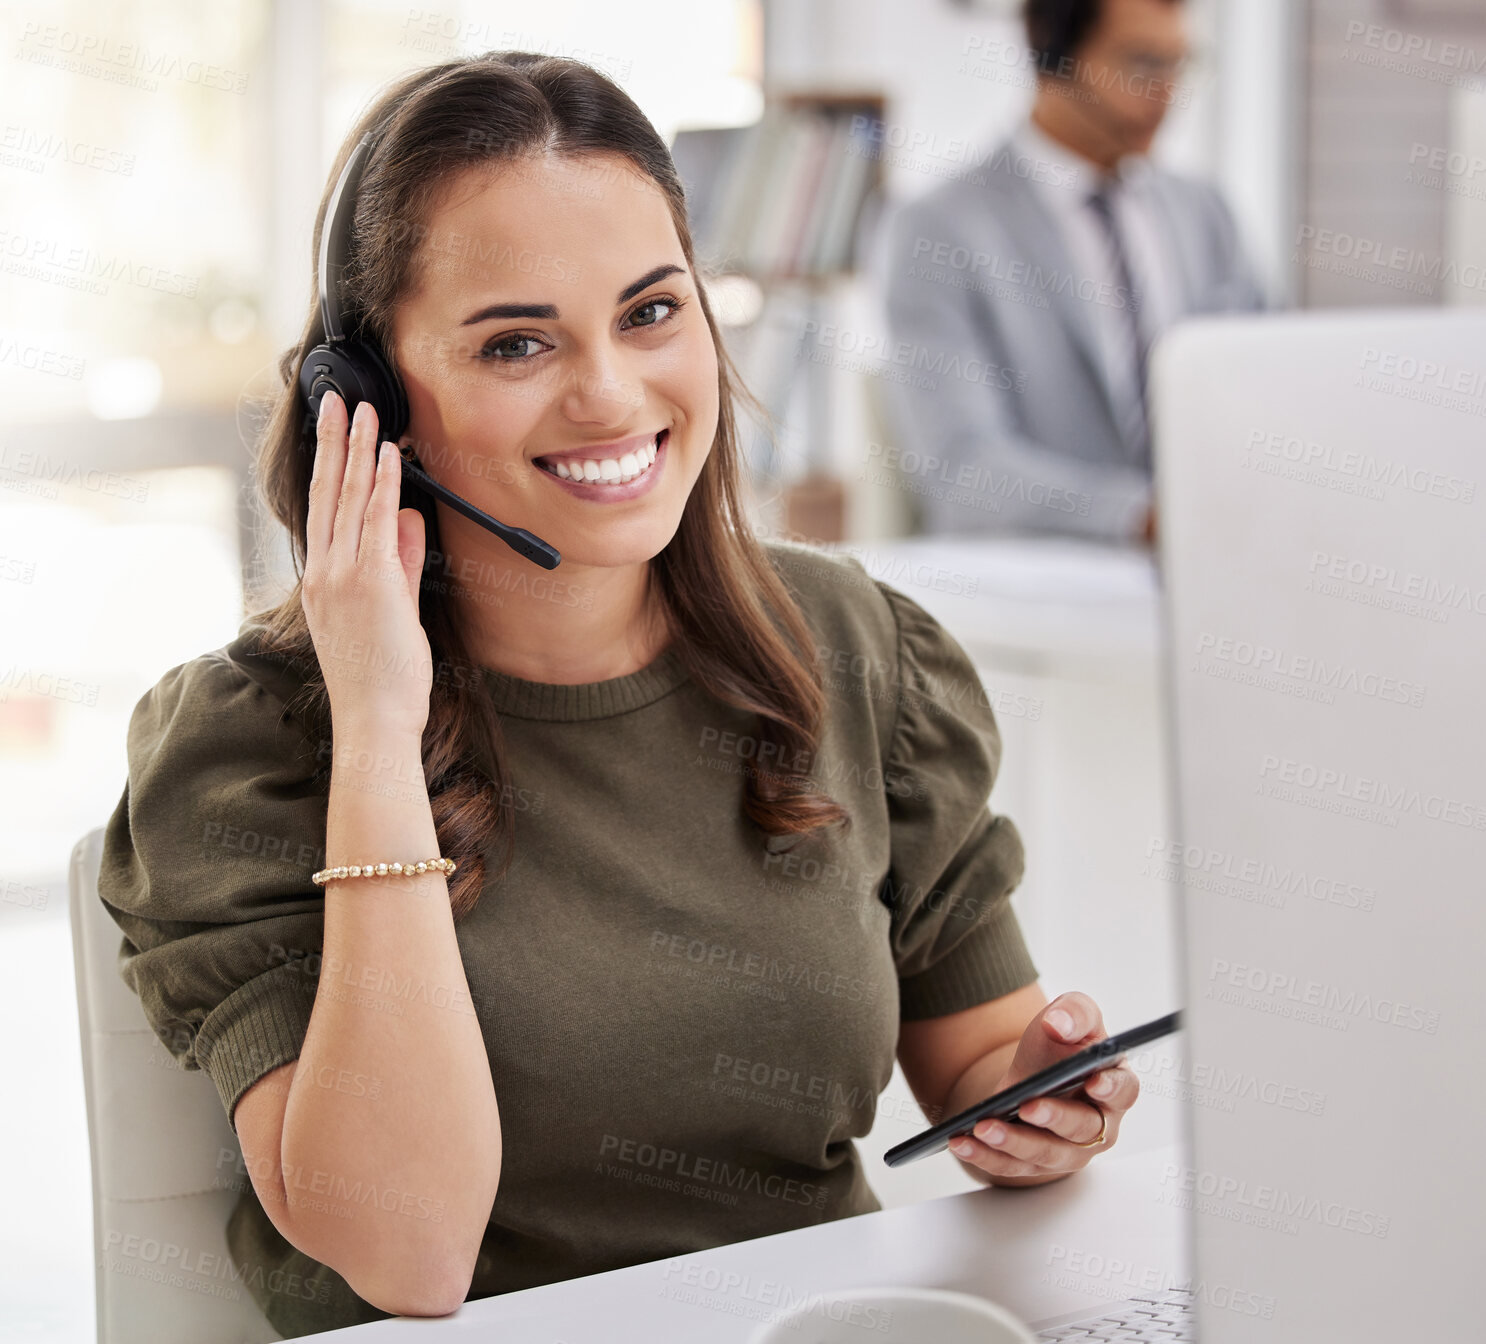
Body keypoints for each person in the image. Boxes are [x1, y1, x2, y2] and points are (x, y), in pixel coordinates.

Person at [97, 51, 1141, 1338]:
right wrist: (376, 726)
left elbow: (980, 1055)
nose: (610, 396)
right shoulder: (250, 749)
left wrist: (1033, 1100)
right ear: (367, 402)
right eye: (517, 341)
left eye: (651, 313)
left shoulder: (854, 646)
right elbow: (408, 1254)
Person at [877, 0, 1266, 545]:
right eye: (1142, 64)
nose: (1167, 92)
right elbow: (962, 470)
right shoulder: (938, 229)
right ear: (1054, 58)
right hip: (1039, 585)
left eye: (1179, 65)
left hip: (1219, 560)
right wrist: (1143, 516)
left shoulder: (1205, 213)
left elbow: (1267, 393)